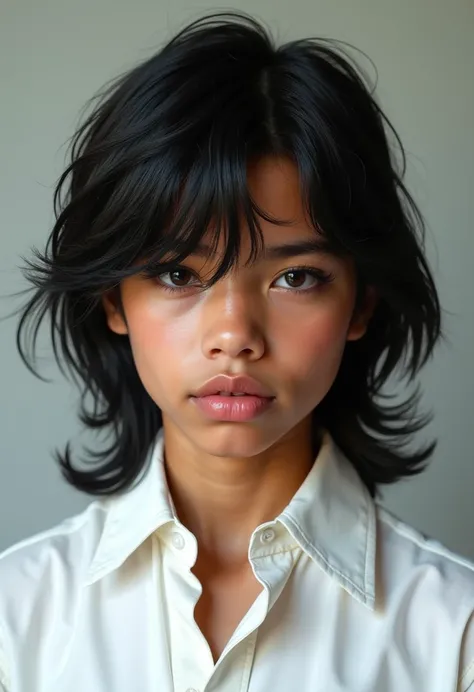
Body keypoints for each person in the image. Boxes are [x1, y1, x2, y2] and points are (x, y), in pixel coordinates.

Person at [0, 10, 473, 692]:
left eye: (296, 277)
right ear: (113, 300)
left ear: (361, 303)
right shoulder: (19, 623)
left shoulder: (455, 635)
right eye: (178, 274)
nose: (235, 334)